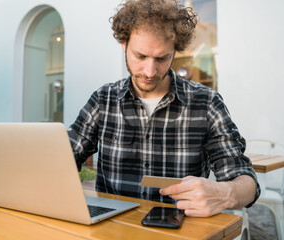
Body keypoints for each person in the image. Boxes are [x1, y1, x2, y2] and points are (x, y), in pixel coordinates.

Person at [68, 0, 260, 217]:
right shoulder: (103, 100)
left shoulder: (206, 104)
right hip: (113, 230)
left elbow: (246, 181)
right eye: (140, 56)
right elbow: (65, 157)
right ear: (124, 44)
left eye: (162, 58)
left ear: (175, 52)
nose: (150, 71)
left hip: (179, 231)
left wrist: (227, 193)